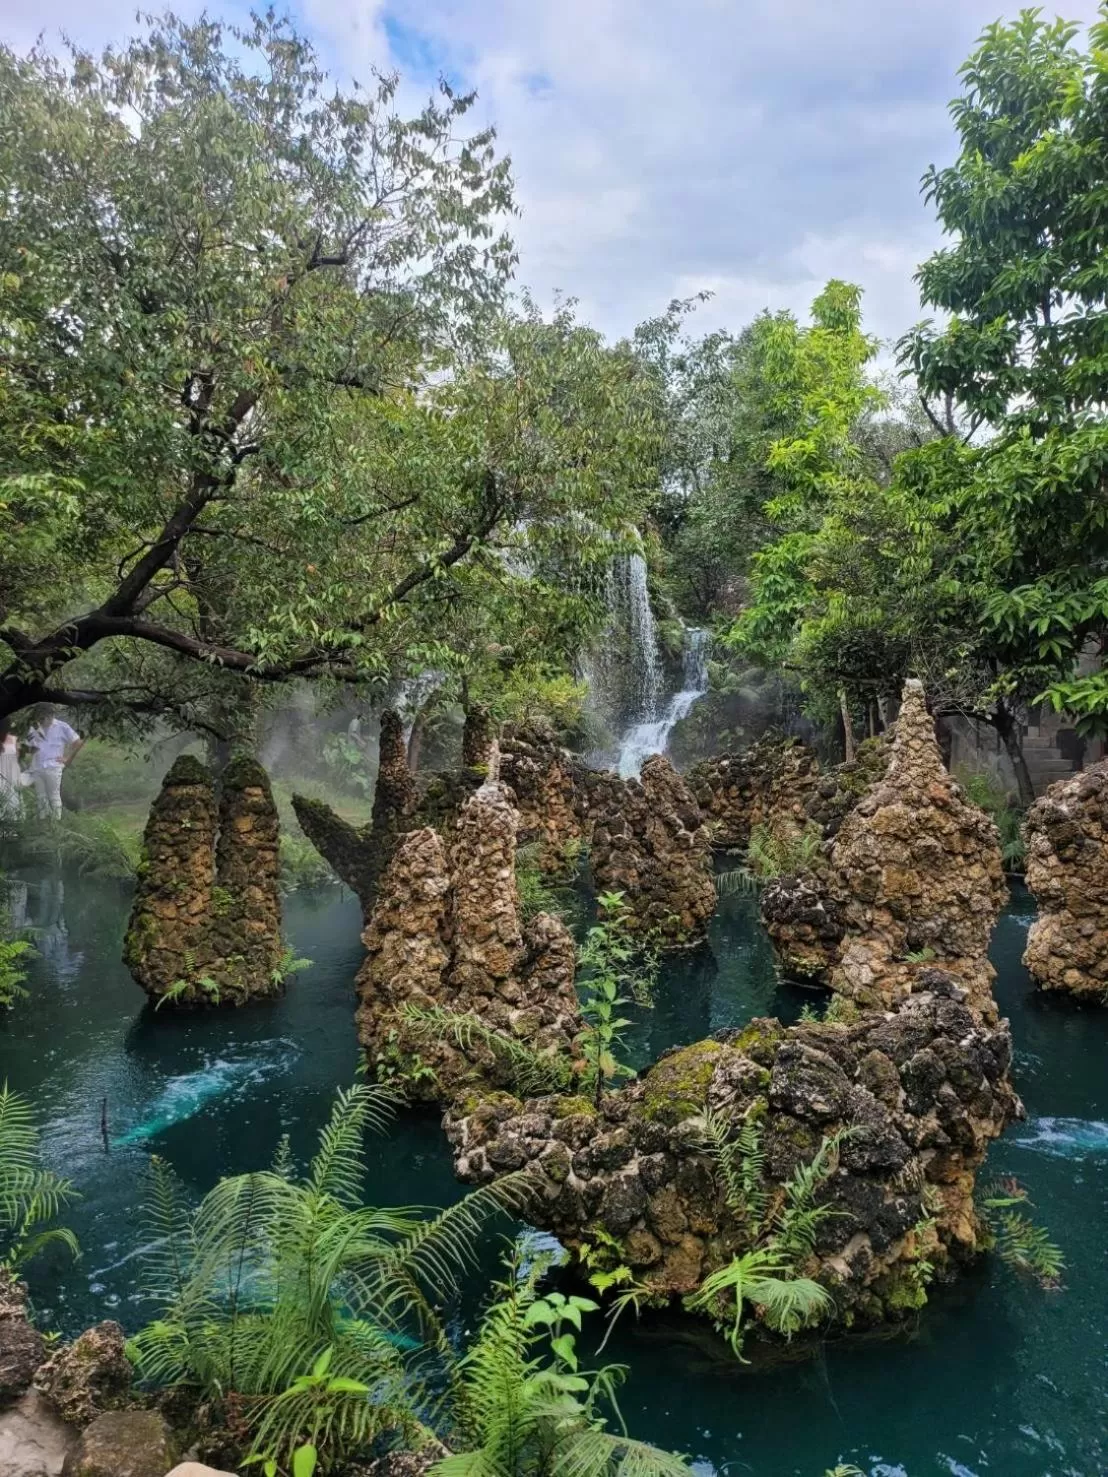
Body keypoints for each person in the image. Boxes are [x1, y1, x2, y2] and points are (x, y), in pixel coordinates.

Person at [26, 706, 84, 820]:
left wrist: (67, 758)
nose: (41, 721)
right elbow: (29, 747)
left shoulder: (62, 726)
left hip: (53, 766)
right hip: (38, 767)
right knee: (40, 797)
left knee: (54, 796)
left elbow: (77, 742)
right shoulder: (34, 728)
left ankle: (56, 822)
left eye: (43, 718)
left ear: (51, 716)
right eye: (39, 718)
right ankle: (43, 822)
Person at [0, 728, 21, 818]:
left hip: (12, 771)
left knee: (12, 794)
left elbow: (17, 756)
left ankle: (13, 820)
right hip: (1, 770)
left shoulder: (14, 739)